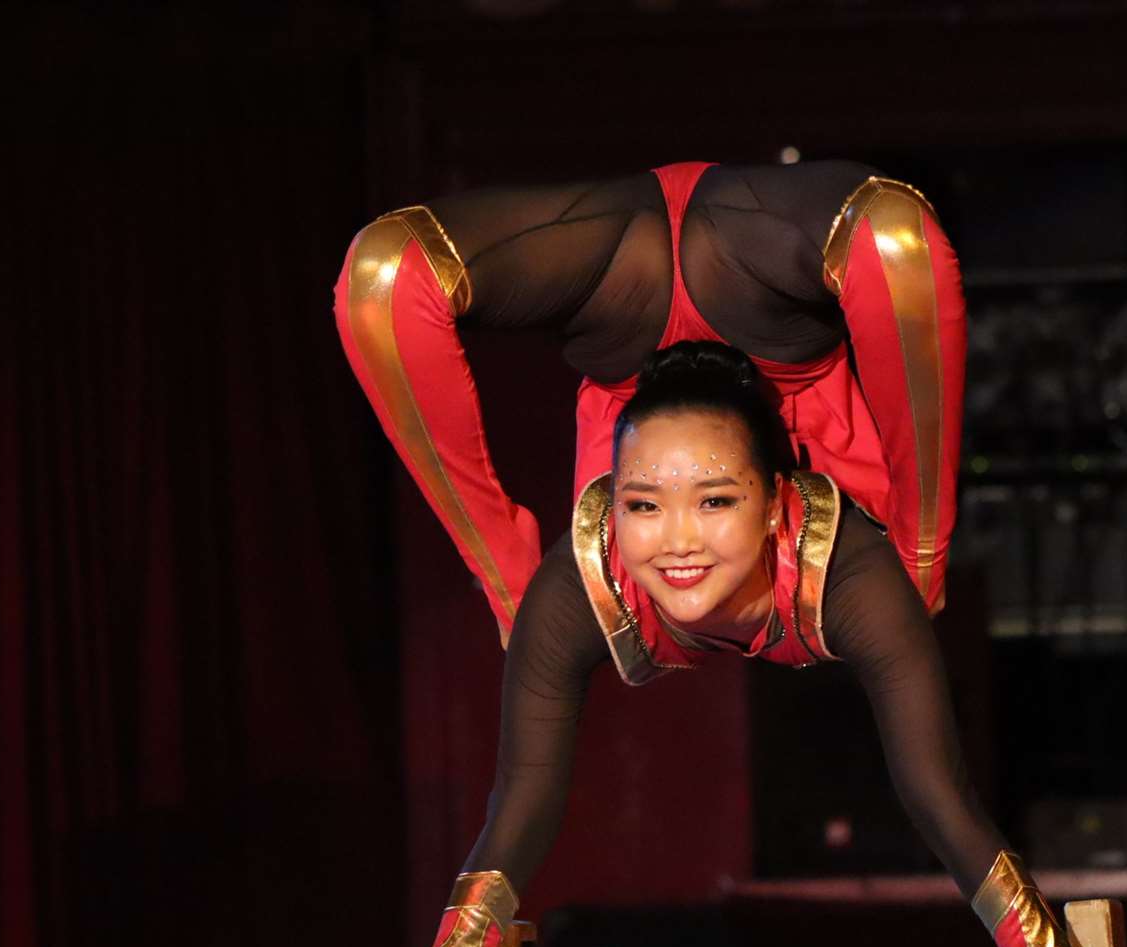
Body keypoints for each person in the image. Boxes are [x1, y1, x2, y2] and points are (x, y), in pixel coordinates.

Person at [355, 343, 1112, 947]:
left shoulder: (852, 573)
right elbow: (521, 804)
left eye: (714, 500)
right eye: (644, 506)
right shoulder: (578, 584)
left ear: (778, 503)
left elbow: (935, 791)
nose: (676, 541)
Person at [334, 160, 966, 647]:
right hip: (753, 290)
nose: (683, 548)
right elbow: (893, 235)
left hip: (624, 296)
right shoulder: (845, 556)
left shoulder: (613, 573)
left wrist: (513, 585)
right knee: (893, 236)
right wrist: (921, 557)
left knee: (382, 274)